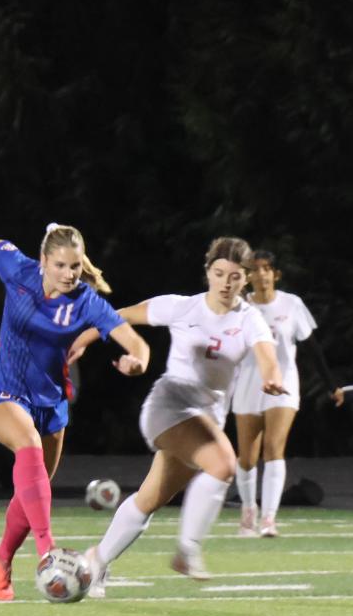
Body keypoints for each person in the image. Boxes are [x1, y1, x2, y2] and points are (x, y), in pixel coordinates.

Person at [0, 224, 149, 600]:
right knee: (28, 447)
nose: (68, 274)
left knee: (31, 495)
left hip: (51, 405)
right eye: (60, 265)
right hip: (2, 394)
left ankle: (2, 557)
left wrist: (137, 362)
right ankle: (48, 553)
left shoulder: (85, 302)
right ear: (43, 261)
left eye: (75, 266)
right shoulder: (20, 270)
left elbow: (135, 343)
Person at [82, 236, 284, 595]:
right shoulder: (181, 307)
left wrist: (272, 378)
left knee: (149, 499)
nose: (226, 282)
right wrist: (81, 341)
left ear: (245, 280)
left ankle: (95, 562)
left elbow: (268, 357)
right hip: (169, 403)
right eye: (219, 273)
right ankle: (187, 550)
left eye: (235, 276)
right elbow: (115, 317)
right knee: (224, 464)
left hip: (206, 417)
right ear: (207, 272)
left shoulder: (250, 319)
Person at [230, 249, 342, 538]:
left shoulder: (292, 305)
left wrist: (332, 385)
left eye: (267, 269)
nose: (261, 274)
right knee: (246, 457)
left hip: (283, 383)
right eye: (255, 270)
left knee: (274, 448)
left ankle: (269, 518)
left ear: (276, 274)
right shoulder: (238, 307)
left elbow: (312, 348)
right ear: (247, 277)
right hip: (249, 383)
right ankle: (248, 511)